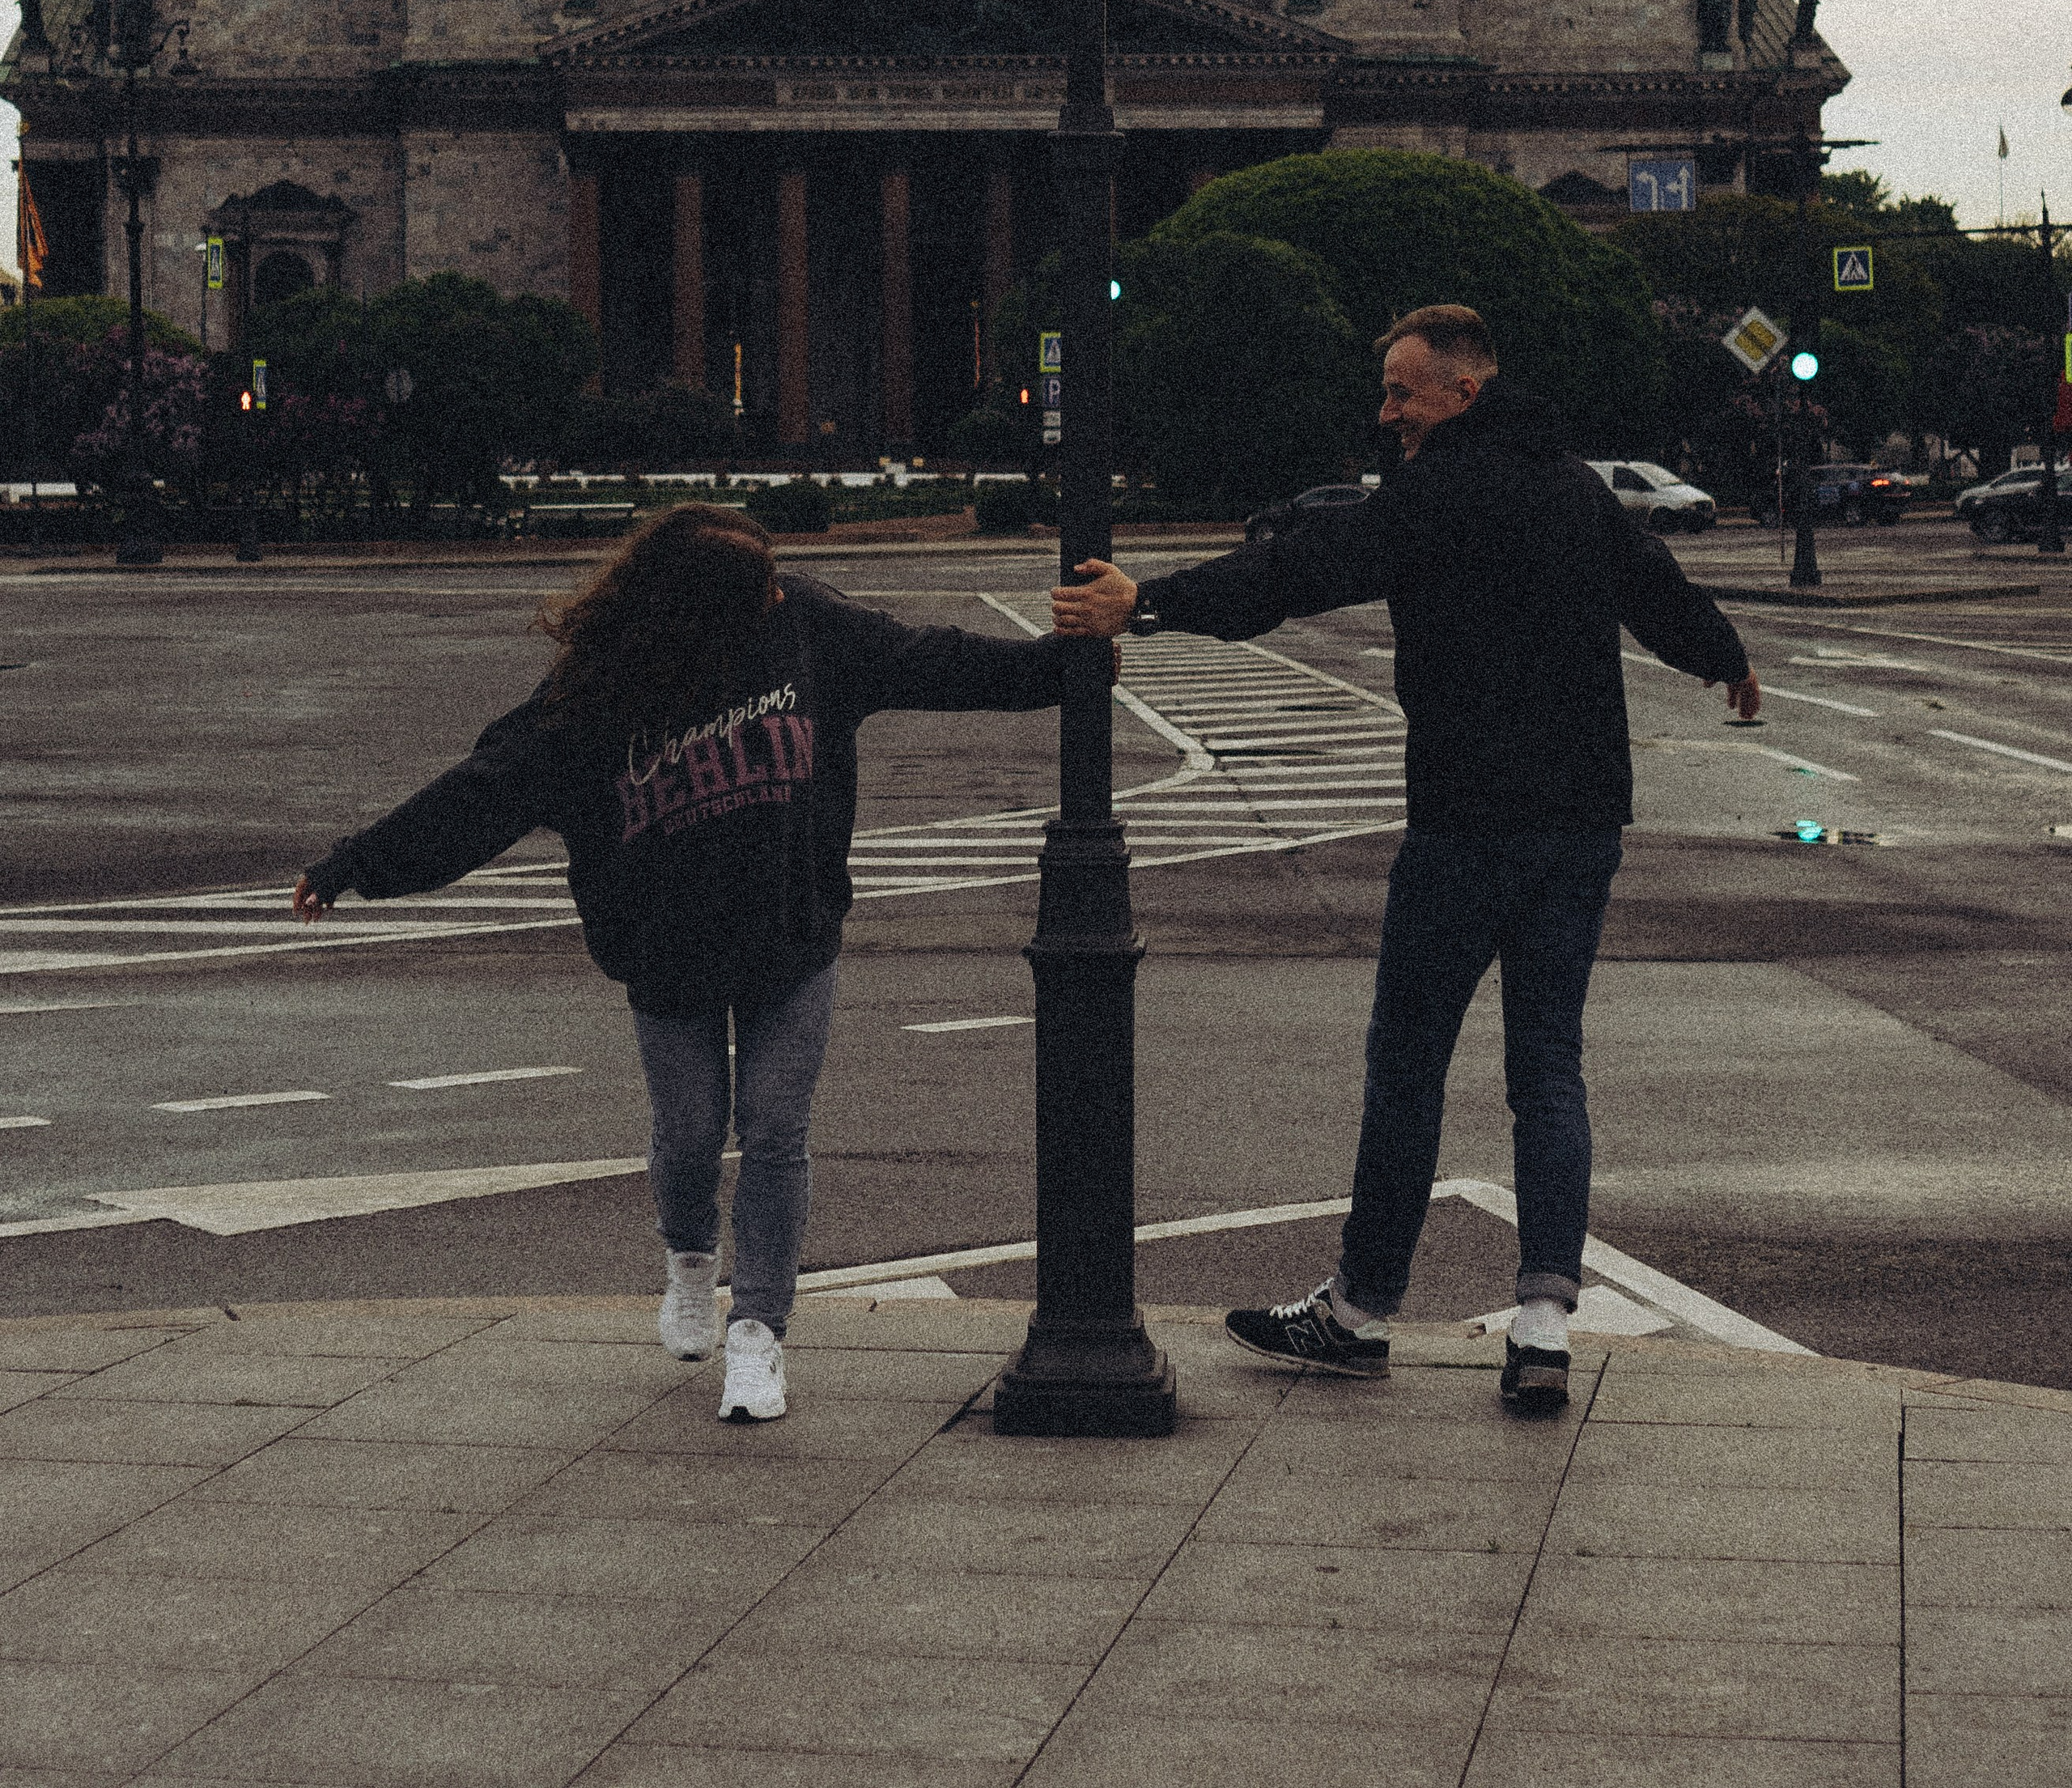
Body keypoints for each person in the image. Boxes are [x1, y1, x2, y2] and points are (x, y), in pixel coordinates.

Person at [1052, 302, 1759, 1415]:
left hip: (1465, 825)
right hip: (1580, 824)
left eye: (1403, 391)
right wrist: (1726, 659)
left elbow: (1294, 573)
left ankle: (1360, 1310)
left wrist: (1146, 605)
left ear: (1463, 392)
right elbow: (1656, 592)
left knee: (1409, 1070)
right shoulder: (1576, 486)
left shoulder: (1433, 496)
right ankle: (1541, 1330)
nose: (1386, 413)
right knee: (1549, 1070)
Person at [293, 503, 1070, 1423]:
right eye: (758, 588)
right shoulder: (601, 689)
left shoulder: (807, 627)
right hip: (667, 948)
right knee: (693, 1134)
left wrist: (1069, 664)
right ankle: (691, 1264)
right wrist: (356, 866)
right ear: (697, 610)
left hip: (792, 933)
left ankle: (760, 1336)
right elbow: (484, 792)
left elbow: (938, 661)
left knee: (777, 1132)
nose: (779, 593)